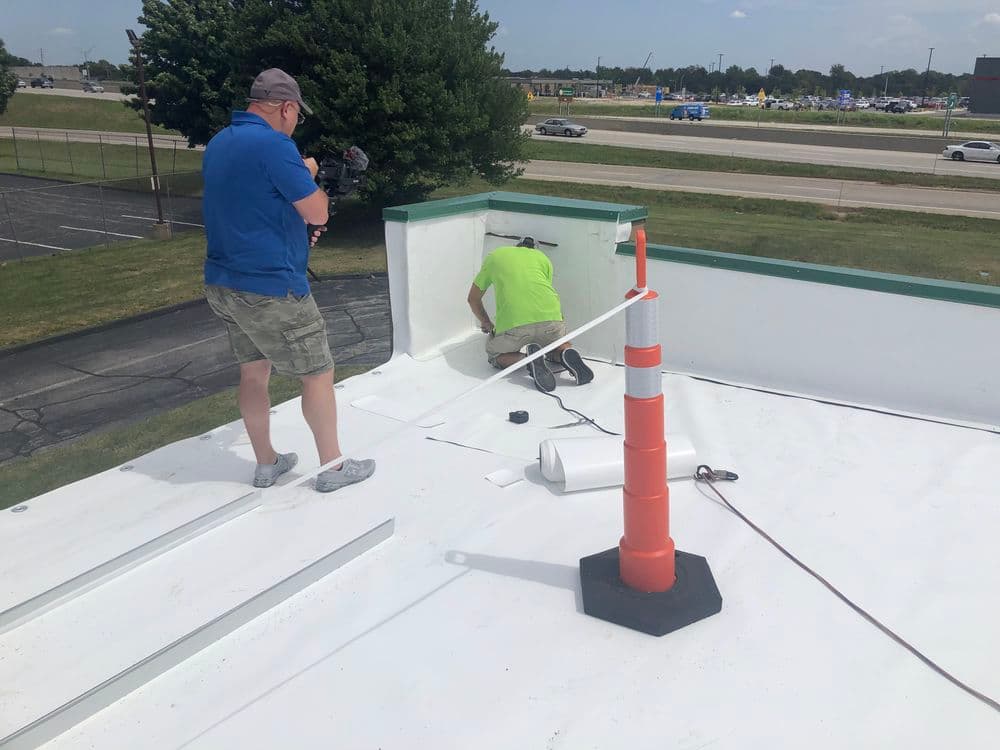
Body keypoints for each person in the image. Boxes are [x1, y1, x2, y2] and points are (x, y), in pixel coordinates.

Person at [202, 68, 375, 493]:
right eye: (297, 114)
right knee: (318, 373)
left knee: (253, 372)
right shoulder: (276, 146)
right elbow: (317, 211)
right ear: (287, 107)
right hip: (272, 288)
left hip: (223, 283)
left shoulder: (220, 143)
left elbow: (256, 203)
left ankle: (266, 464)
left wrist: (298, 178)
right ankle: (333, 469)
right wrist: (311, 179)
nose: (296, 122)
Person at [467, 237, 593, 392]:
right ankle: (564, 351)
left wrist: (486, 322)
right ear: (533, 249)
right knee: (557, 345)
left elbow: (473, 299)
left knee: (494, 354)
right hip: (551, 321)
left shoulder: (495, 256)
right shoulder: (543, 258)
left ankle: (528, 360)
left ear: (516, 246)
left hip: (515, 327)